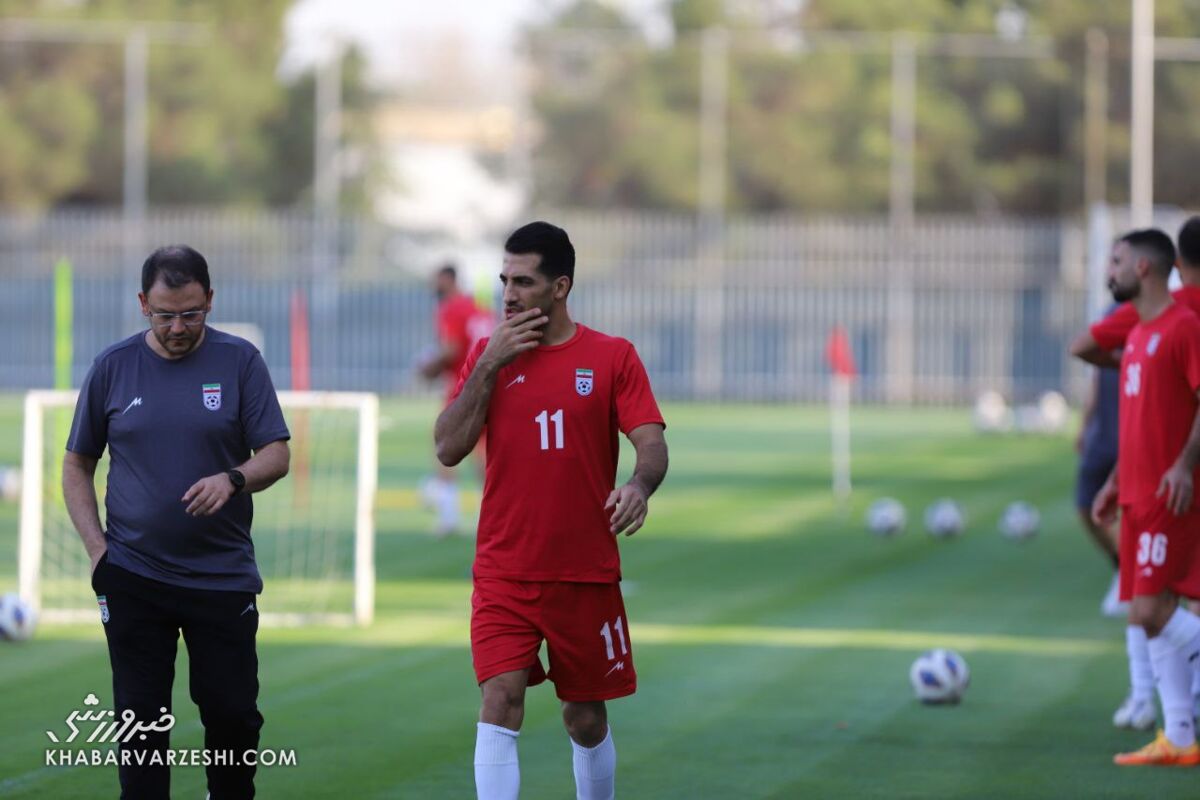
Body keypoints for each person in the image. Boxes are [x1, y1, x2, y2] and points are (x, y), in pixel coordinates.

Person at [434, 221, 669, 800]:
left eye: (523, 281)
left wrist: (638, 486)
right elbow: (447, 446)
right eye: (503, 280)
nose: (508, 294)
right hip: (504, 570)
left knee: (584, 717)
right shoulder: (490, 356)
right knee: (500, 700)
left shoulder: (612, 357)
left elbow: (652, 443)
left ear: (560, 286)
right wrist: (488, 366)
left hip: (583, 572)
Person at [62, 245, 291, 798]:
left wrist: (232, 479)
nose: (178, 327)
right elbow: (76, 463)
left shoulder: (240, 362)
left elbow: (276, 454)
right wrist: (99, 553)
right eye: (165, 315)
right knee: (140, 728)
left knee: (232, 716)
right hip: (134, 576)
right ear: (143, 304)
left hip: (221, 578)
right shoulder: (113, 367)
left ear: (210, 300)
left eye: (191, 313)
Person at [1071, 217, 1200, 728]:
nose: (1110, 271)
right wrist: (1117, 480)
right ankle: (1177, 728)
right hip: (1146, 486)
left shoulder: (1180, 320)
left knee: (1154, 608)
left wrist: (1183, 465)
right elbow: (1145, 416)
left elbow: (1082, 346)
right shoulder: (1145, 329)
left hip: (1170, 486)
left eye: (1118, 261)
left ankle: (1157, 705)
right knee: (1153, 605)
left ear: (1147, 267)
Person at [419, 263, 492, 535]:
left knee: (444, 446)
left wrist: (428, 367)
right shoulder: (479, 306)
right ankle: (493, 516)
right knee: (484, 456)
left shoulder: (450, 308)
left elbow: (451, 349)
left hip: (463, 388)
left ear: (449, 280)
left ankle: (447, 515)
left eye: (437, 281)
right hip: (489, 386)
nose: (434, 287)